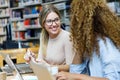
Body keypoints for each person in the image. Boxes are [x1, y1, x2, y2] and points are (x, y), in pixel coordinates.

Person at [56, 0, 120, 80]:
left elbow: (113, 79)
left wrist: (76, 76)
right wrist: (80, 44)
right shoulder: (91, 43)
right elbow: (75, 72)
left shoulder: (107, 44)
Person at [24, 4, 74, 72]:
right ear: (43, 24)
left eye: (56, 20)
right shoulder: (43, 36)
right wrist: (32, 59)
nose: (54, 24)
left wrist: (50, 67)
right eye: (49, 21)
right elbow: (41, 62)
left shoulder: (67, 37)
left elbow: (71, 67)